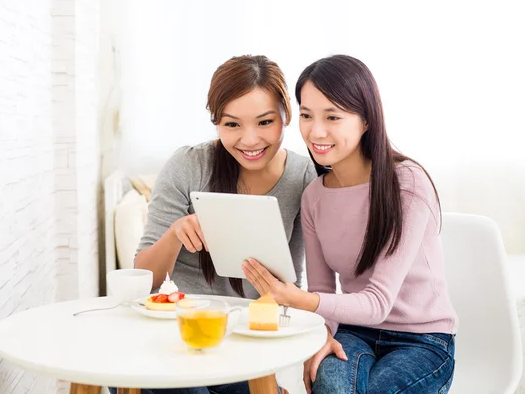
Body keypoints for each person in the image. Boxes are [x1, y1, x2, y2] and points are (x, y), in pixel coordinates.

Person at [241, 55, 458, 394]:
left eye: (333, 117)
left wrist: (298, 299)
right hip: (355, 332)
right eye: (307, 116)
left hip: (422, 340)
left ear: (366, 120)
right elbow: (325, 292)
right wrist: (323, 335)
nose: (316, 131)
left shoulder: (407, 183)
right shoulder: (314, 196)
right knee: (329, 384)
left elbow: (377, 302)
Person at [109, 55, 316, 394]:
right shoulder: (189, 165)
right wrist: (176, 232)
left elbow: (292, 282)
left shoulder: (304, 176)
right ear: (216, 122)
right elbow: (145, 277)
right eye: (232, 124)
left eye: (265, 122)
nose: (249, 140)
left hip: (244, 348)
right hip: (174, 339)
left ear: (286, 116)